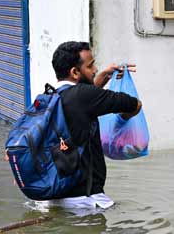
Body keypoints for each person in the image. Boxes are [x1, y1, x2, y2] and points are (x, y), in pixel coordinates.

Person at [48, 41, 142, 210]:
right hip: (87, 200)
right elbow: (134, 104)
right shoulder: (85, 96)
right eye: (90, 66)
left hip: (52, 197)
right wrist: (119, 124)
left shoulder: (48, 97)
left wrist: (105, 76)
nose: (96, 69)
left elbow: (84, 99)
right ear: (75, 72)